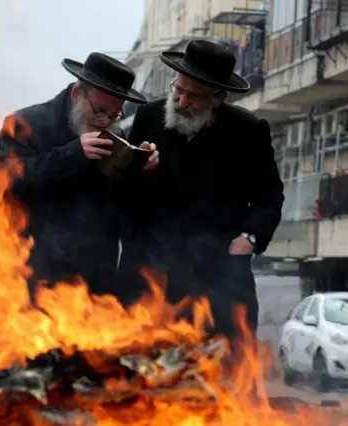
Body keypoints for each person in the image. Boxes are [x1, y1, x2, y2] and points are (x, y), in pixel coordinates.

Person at [117, 39, 285, 354]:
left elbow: (269, 195)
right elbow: (124, 192)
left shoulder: (249, 131)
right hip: (149, 279)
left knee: (224, 379)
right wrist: (137, 169)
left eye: (193, 96)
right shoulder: (149, 117)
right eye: (177, 90)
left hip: (217, 282)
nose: (180, 101)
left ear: (219, 98)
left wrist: (249, 236)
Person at [0, 52, 157, 302]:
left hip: (88, 286)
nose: (105, 120)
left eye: (114, 114)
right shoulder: (26, 123)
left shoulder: (114, 136)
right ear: (78, 95)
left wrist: (140, 167)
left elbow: (122, 208)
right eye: (99, 111)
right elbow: (9, 179)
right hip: (28, 277)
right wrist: (72, 154)